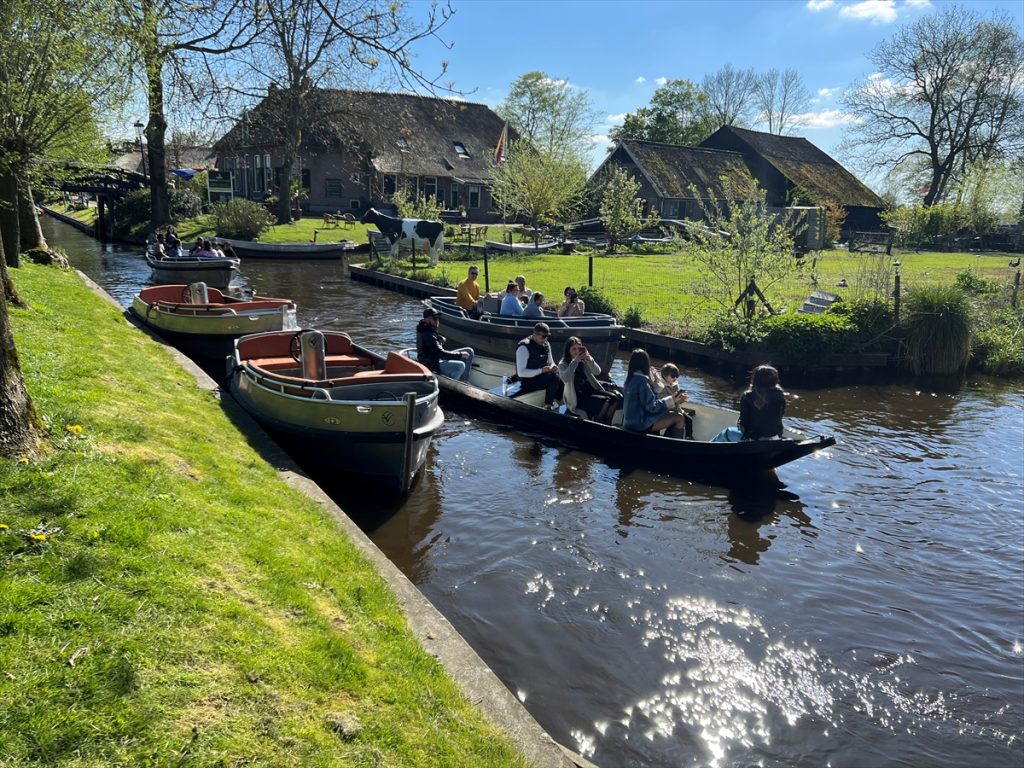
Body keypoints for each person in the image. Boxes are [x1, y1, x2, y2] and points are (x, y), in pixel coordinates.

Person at [622, 348, 688, 435]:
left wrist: (656, 384)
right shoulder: (641, 381)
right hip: (640, 424)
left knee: (669, 414)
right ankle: (672, 446)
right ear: (645, 364)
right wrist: (672, 400)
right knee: (679, 418)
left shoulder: (630, 380)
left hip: (629, 422)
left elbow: (646, 400)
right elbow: (652, 407)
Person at [713, 364, 786, 442]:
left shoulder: (748, 396)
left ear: (754, 379)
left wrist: (740, 424)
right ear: (775, 380)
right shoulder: (780, 395)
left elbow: (744, 424)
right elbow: (780, 416)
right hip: (774, 437)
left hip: (753, 441)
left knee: (727, 432)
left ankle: (705, 449)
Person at [558, 336, 622, 422]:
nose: (577, 351)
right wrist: (575, 361)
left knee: (615, 398)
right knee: (607, 401)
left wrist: (589, 359)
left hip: (590, 389)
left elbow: (597, 372)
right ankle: (598, 422)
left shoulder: (584, 359)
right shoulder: (563, 364)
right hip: (577, 396)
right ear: (568, 350)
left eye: (578, 348)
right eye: (574, 349)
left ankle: (606, 423)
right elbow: (565, 378)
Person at [416, 307, 474, 382]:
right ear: (428, 319)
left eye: (438, 319)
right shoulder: (428, 334)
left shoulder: (425, 328)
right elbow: (441, 354)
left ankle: (464, 380)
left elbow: (433, 346)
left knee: (469, 351)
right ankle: (454, 386)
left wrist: (439, 339)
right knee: (460, 366)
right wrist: (460, 354)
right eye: (435, 319)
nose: (438, 321)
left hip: (436, 358)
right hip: (432, 364)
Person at [515, 322, 562, 407]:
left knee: (561, 374)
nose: (545, 339)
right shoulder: (524, 347)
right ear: (534, 334)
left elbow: (551, 361)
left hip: (542, 375)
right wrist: (541, 370)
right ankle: (548, 405)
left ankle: (559, 401)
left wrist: (553, 367)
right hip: (528, 381)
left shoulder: (546, 344)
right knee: (554, 378)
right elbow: (521, 373)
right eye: (543, 336)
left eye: (547, 336)